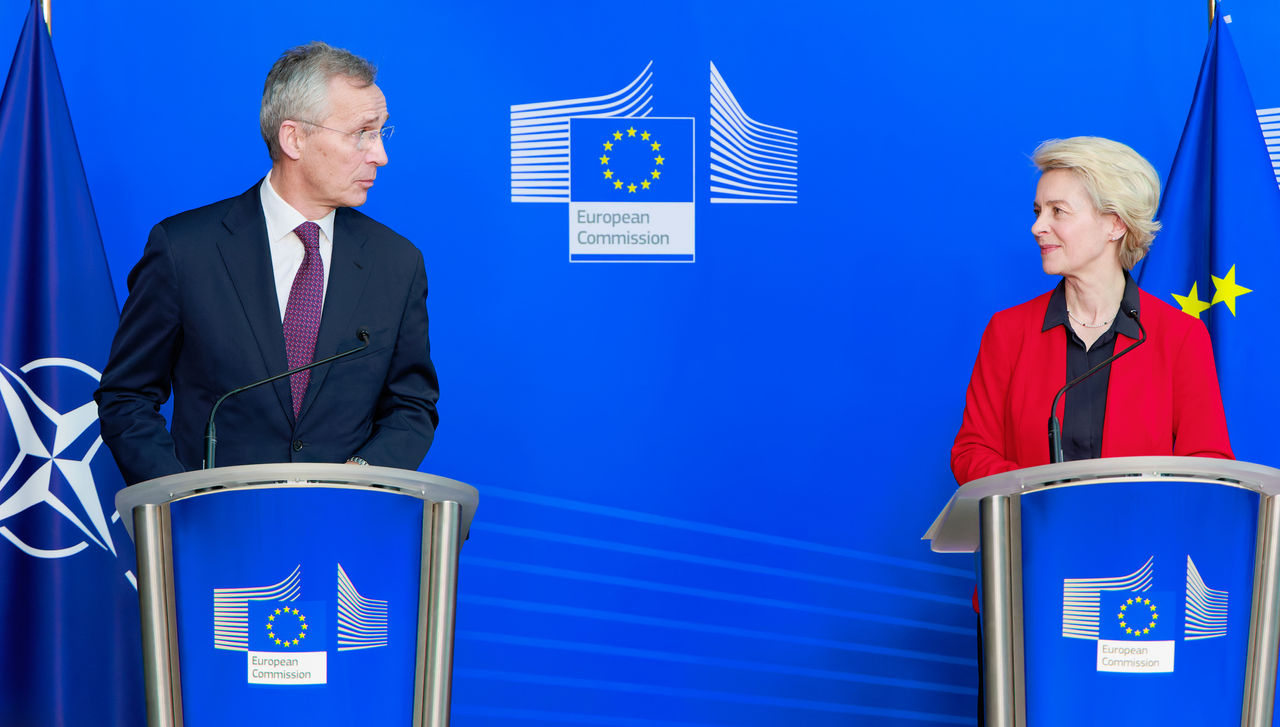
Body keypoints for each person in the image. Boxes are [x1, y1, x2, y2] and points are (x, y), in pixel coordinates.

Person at [95, 42, 439, 486]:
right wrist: (179, 500)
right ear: (294, 138)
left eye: (380, 133)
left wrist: (361, 481)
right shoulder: (186, 250)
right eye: (362, 133)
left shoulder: (396, 262)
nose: (379, 155)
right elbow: (127, 396)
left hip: (341, 533)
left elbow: (411, 406)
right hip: (214, 533)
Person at [951, 136, 1233, 486]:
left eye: (1058, 211)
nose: (1037, 227)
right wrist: (1040, 492)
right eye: (1038, 212)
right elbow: (972, 452)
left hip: (1141, 538)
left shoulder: (1180, 336)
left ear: (1115, 224)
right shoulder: (1008, 331)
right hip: (1032, 537)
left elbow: (1208, 461)